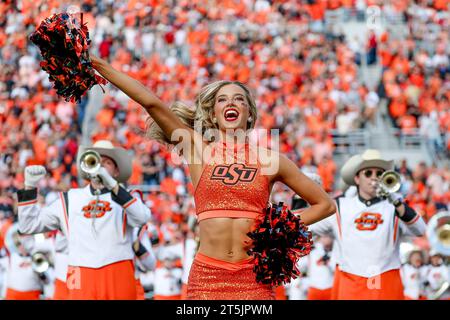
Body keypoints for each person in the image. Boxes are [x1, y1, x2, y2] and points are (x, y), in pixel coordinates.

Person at [90, 55, 336, 300]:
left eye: (239, 99)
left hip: (254, 279)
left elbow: (325, 205)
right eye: (222, 100)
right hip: (207, 278)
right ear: (214, 113)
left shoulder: (271, 160)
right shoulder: (197, 148)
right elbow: (152, 104)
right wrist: (98, 64)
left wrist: (276, 228)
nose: (231, 103)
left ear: (249, 113)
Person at [17, 140, 151, 300]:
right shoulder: (70, 198)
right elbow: (27, 226)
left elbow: (143, 217)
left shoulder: (128, 196)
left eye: (107, 163)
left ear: (116, 171)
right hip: (79, 273)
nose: (101, 166)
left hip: (118, 269)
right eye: (97, 161)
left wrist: (114, 187)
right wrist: (29, 188)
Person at [309, 149, 427, 300]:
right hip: (351, 282)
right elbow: (307, 227)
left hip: (385, 280)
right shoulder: (339, 205)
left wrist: (396, 200)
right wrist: (304, 196)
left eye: (379, 174)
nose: (374, 177)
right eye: (368, 173)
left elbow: (421, 230)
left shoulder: (394, 207)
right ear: (357, 178)